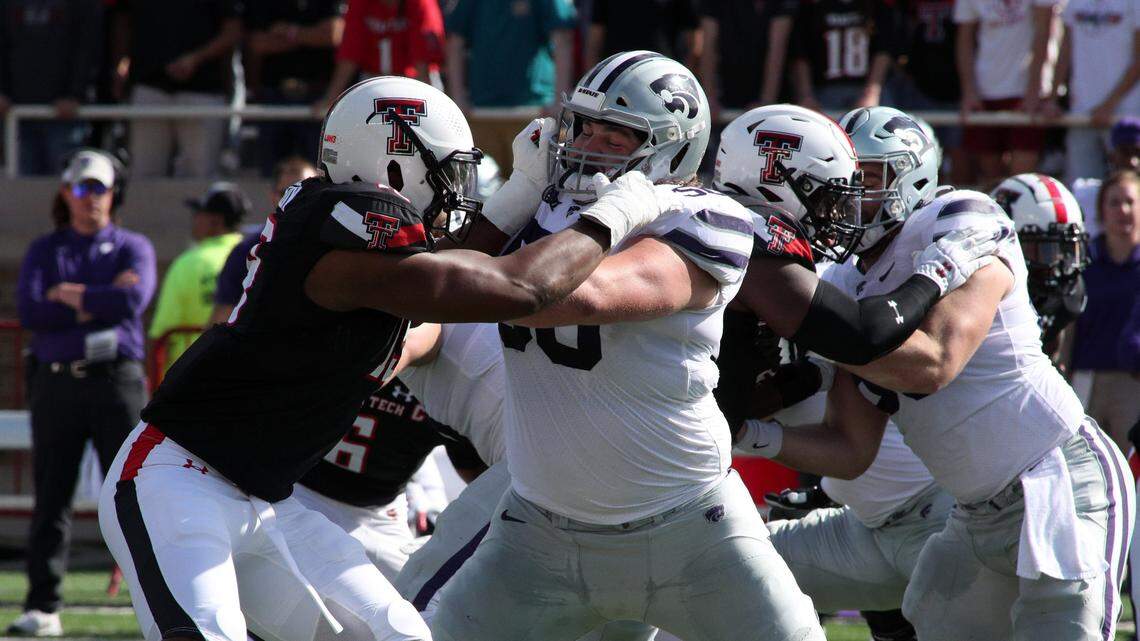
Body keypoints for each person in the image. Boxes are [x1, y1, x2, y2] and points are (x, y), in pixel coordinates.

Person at [96, 74, 675, 641]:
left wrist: (522, 190)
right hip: (175, 479)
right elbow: (515, 289)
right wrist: (611, 216)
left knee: (399, 633)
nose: (456, 189)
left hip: (267, 499)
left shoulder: (351, 238)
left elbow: (451, 273)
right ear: (392, 162)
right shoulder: (346, 222)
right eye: (448, 170)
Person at [740, 105, 1133, 641]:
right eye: (846, 179)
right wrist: (748, 434)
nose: (852, 194)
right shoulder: (850, 283)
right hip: (975, 513)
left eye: (869, 178)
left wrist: (821, 334)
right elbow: (850, 450)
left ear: (912, 175)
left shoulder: (958, 219)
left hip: (1058, 480)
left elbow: (936, 362)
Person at [13, 150, 156, 636]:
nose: (89, 198)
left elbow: (133, 300)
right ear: (65, 192)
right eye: (81, 188)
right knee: (51, 496)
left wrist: (66, 295)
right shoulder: (45, 249)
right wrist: (98, 298)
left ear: (114, 194)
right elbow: (33, 312)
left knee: (132, 494)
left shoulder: (133, 245)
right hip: (56, 381)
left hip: (116, 382)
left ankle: (156, 602)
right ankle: (42, 605)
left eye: (98, 188)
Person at [111, 0, 242, 177]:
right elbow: (122, 19)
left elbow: (232, 30)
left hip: (203, 90)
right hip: (148, 84)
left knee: (200, 176)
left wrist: (195, 59)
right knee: (144, 175)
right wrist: (121, 63)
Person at [443, 0, 576, 170]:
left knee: (534, 188)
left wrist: (560, 100)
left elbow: (562, 38)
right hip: (482, 113)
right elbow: (455, 41)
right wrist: (458, 98)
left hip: (533, 113)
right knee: (484, 190)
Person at [954, 0, 1063, 184]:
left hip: (1026, 95)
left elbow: (1044, 29)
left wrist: (1033, 90)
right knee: (991, 178)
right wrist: (969, 91)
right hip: (985, 92)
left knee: (1022, 179)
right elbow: (964, 38)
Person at [1070, 169, 1140, 453]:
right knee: (1085, 460)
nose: (1123, 210)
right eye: (1114, 202)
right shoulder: (1083, 261)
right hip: (1087, 377)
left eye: (1130, 202)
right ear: (1101, 210)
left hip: (1133, 382)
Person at [149, 183, 250, 374]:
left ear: (215, 220)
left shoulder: (188, 263)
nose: (194, 220)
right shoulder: (254, 257)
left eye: (199, 213)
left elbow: (161, 332)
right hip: (243, 375)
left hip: (188, 380)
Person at [991, 173, 1089, 365]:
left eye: (1066, 251)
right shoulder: (980, 289)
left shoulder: (1070, 296)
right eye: (1044, 252)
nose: (1058, 267)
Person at [210, 157, 319, 326]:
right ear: (273, 196)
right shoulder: (247, 250)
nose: (298, 200)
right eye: (288, 192)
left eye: (307, 193)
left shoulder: (336, 247)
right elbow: (222, 317)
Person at [0, 0, 103, 175]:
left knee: (65, 187)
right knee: (23, 192)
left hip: (65, 116)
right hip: (17, 114)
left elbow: (87, 47)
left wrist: (74, 94)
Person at [245, 0, 345, 176]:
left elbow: (333, 34)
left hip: (318, 99)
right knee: (272, 174)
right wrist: (310, 34)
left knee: (322, 173)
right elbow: (257, 44)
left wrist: (287, 32)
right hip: (275, 98)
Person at [1055, 0, 1140, 184]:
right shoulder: (1074, 3)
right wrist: (1052, 98)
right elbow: (1065, 50)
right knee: (1080, 190)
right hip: (1080, 114)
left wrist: (1110, 104)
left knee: (1128, 186)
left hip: (1125, 117)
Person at [317, 0, 444, 113]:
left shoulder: (421, 3)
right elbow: (350, 51)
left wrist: (426, 101)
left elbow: (423, 60)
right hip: (373, 79)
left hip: (414, 80)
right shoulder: (359, 3)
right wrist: (331, 98)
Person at [790, 0, 902, 111]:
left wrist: (871, 93)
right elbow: (801, 54)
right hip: (824, 89)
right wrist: (806, 95)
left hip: (867, 86)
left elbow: (883, 50)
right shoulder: (812, 8)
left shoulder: (877, 7)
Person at [1071, 117, 1140, 239]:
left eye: (1138, 153)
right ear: (1112, 156)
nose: (1132, 161)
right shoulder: (1085, 194)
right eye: (1125, 152)